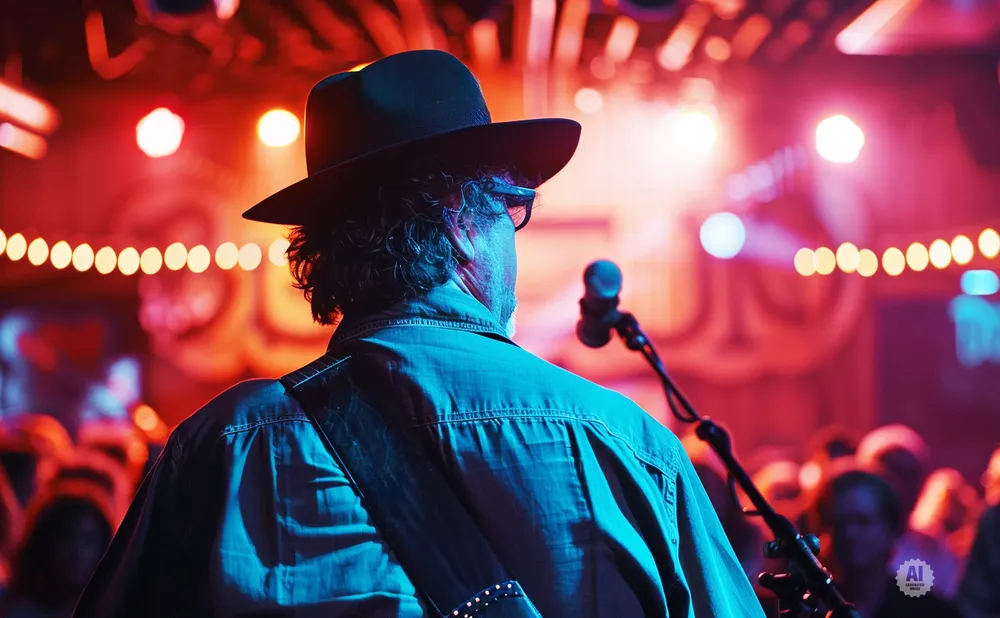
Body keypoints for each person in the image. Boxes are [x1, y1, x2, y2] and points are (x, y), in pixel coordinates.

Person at [75, 50, 764, 617]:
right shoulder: (626, 447)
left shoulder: (222, 450)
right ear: (459, 217)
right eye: (509, 212)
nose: (513, 241)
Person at [805, 467, 960, 618]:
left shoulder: (931, 612)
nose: (849, 534)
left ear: (892, 529)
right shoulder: (806, 608)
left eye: (862, 521)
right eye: (837, 522)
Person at [856, 424, 960, 598]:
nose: (901, 486)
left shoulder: (933, 547)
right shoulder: (851, 541)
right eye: (890, 473)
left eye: (910, 475)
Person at [0, 481, 114, 618]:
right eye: (68, 537)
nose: (77, 552)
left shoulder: (109, 609)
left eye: (89, 541)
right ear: (46, 542)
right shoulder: (10, 606)